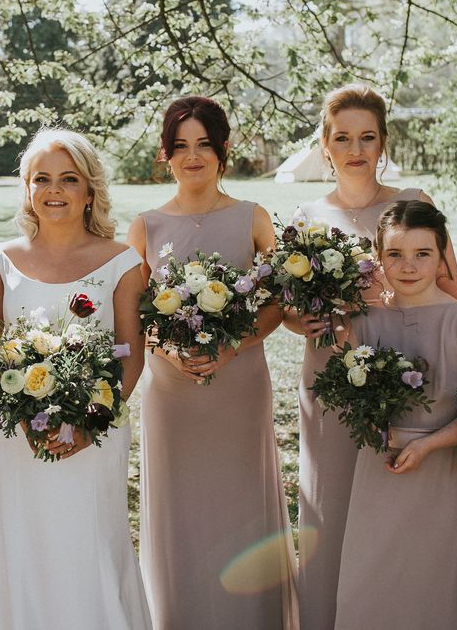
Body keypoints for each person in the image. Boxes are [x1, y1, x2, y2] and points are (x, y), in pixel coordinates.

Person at [285, 83, 457, 630]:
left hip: (408, 367)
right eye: (343, 137)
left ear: (383, 142)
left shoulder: (413, 201)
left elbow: (451, 289)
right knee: (331, 505)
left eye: (367, 137)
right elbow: (287, 310)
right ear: (325, 143)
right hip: (332, 374)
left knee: (395, 505)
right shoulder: (307, 213)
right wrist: (303, 320)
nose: (355, 148)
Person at [127, 96, 298, 629]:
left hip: (240, 387)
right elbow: (134, 316)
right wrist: (170, 349)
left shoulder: (254, 218)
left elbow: (278, 303)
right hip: (171, 397)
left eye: (204, 144)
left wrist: (233, 345)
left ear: (224, 150)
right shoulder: (146, 226)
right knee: (182, 516)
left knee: (242, 509)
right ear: (165, 154)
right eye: (181, 146)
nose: (192, 156)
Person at [0, 128, 152, 630]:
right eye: (42, 179)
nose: (55, 190)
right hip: (19, 438)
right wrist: (24, 420)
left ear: (89, 190)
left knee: (92, 541)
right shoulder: (0, 261)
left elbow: (130, 356)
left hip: (96, 433)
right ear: (27, 189)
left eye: (68, 179)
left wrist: (89, 424)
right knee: (28, 544)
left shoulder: (121, 261)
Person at [334, 200, 457, 628]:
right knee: (366, 582)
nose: (408, 265)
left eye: (422, 254)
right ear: (378, 258)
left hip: (439, 471)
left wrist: (430, 443)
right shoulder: (362, 321)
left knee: (427, 585)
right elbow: (346, 394)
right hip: (376, 467)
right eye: (395, 254)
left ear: (442, 258)